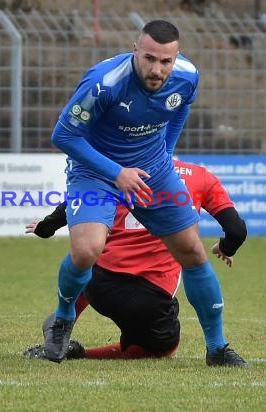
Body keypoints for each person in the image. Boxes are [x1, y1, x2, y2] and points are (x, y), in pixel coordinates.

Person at [45, 19, 228, 364]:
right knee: (87, 251)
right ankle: (62, 317)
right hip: (96, 171)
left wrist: (165, 154)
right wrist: (117, 173)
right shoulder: (103, 83)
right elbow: (63, 136)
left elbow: (181, 106)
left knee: (192, 251)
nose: (157, 69)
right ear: (135, 51)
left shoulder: (187, 76)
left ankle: (218, 348)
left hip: (151, 168)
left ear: (176, 59)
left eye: (165, 61)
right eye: (149, 59)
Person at [24, 160, 249, 366]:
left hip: (97, 282)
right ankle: (82, 353)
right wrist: (227, 248)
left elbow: (81, 201)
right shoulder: (200, 176)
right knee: (164, 349)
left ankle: (61, 324)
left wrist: (47, 226)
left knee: (88, 261)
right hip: (147, 299)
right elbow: (237, 230)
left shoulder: (123, 173)